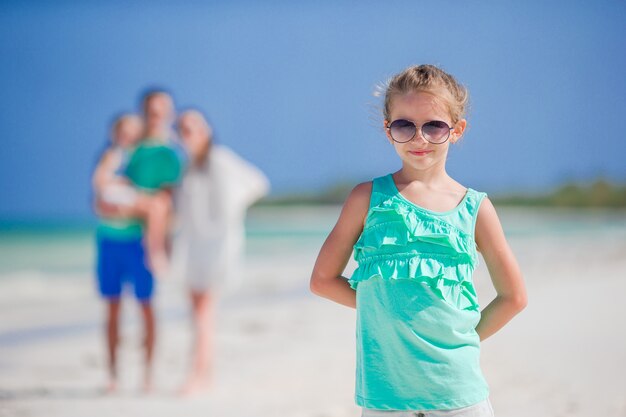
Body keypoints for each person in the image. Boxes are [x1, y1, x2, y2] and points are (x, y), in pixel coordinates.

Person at [310, 64, 527, 416]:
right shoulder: (366, 199)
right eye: (404, 125)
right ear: (388, 129)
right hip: (386, 394)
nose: (419, 138)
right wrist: (381, 304)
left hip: (458, 391)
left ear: (456, 130)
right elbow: (322, 280)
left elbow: (514, 297)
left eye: (434, 126)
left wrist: (463, 339)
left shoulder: (476, 208)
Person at [169, 109, 269, 395]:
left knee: (203, 312)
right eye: (183, 129)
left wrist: (230, 210)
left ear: (206, 131)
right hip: (192, 247)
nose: (189, 134)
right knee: (198, 312)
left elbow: (258, 182)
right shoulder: (189, 166)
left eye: (194, 128)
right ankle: (204, 373)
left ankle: (196, 375)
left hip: (217, 248)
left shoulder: (219, 159)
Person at [92, 114, 157, 394]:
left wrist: (126, 206)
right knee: (112, 309)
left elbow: (153, 205)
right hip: (109, 242)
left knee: (146, 308)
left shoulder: (144, 161)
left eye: (133, 132)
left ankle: (147, 375)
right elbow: (99, 194)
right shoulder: (109, 158)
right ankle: (113, 374)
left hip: (138, 244)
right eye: (123, 131)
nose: (127, 137)